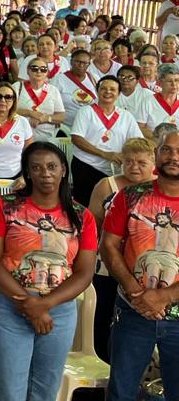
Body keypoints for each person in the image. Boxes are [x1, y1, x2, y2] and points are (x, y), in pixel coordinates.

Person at [0, 141, 98, 401]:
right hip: (11, 304)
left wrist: (44, 305)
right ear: (28, 172)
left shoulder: (82, 216)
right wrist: (29, 304)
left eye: (52, 167)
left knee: (46, 387)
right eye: (36, 167)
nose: (45, 173)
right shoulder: (4, 206)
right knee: (10, 388)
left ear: (63, 170)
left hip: (59, 309)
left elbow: (85, 272)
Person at [99, 129, 179, 400]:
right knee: (121, 392)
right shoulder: (129, 196)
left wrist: (164, 296)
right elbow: (108, 246)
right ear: (156, 154)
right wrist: (136, 292)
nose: (173, 156)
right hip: (133, 310)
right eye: (166, 149)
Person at [87, 136, 157, 359]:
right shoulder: (106, 185)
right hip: (107, 264)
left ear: (153, 163)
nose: (134, 167)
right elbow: (92, 225)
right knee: (102, 317)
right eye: (128, 161)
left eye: (141, 162)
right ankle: (101, 363)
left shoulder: (162, 187)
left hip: (146, 267)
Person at [70, 75, 144, 205]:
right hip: (86, 164)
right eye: (103, 88)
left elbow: (137, 141)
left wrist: (125, 156)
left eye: (112, 89)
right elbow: (76, 138)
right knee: (85, 205)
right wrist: (105, 154)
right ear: (97, 91)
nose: (108, 92)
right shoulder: (86, 111)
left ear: (118, 94)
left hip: (115, 168)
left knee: (112, 205)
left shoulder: (126, 116)